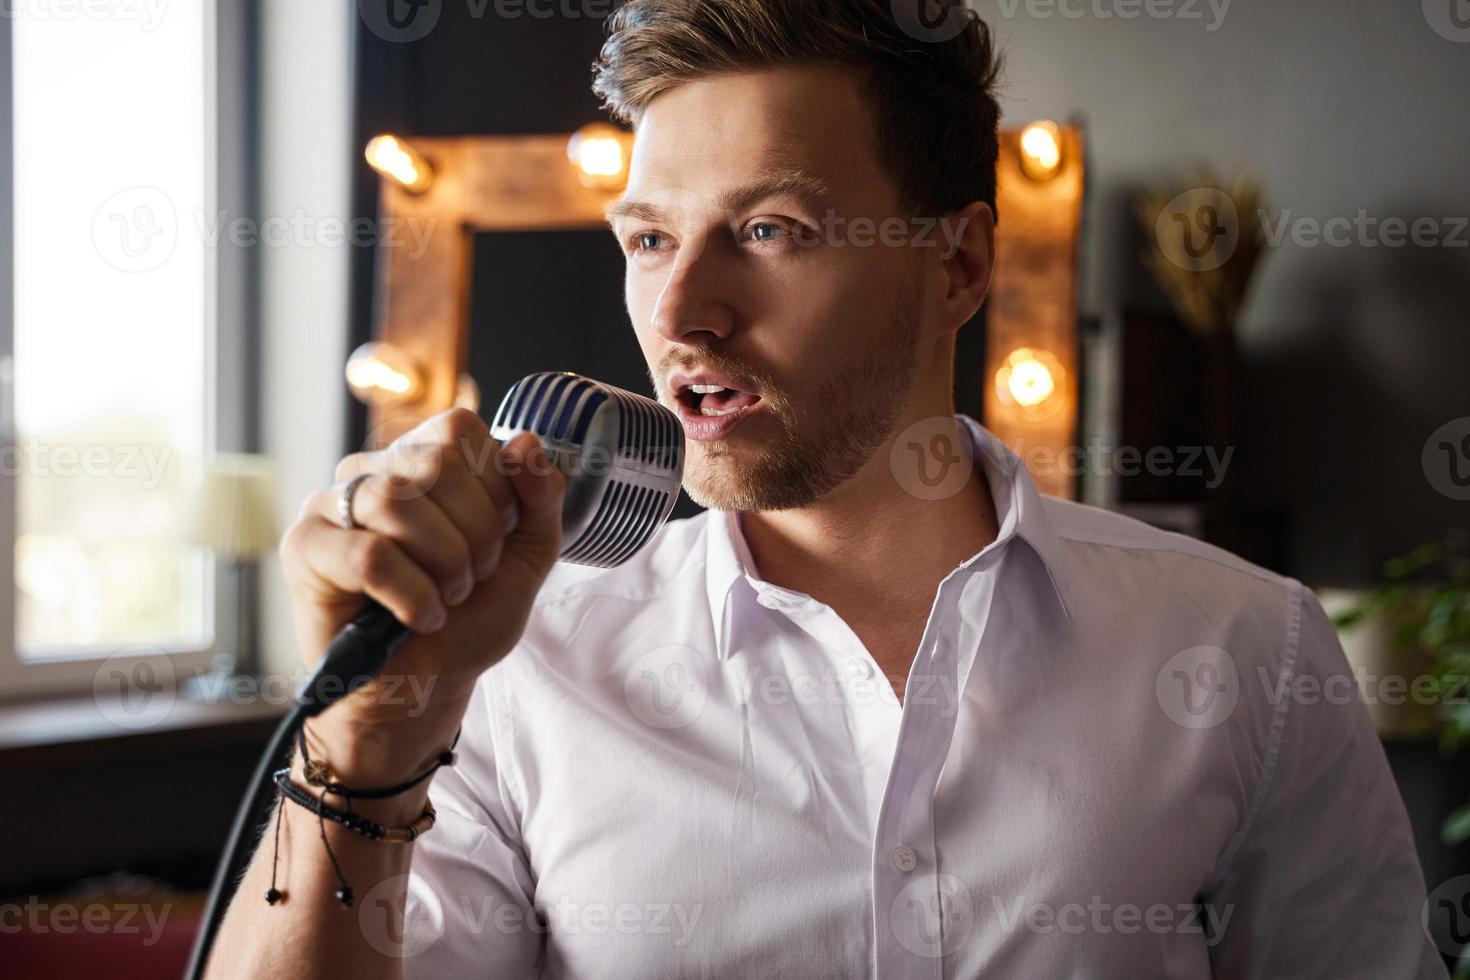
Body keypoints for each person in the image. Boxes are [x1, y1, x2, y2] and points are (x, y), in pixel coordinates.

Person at [206, 1, 1446, 977]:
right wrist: (363, 743)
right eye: (649, 239)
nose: (682, 311)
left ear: (955, 262)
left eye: (772, 230)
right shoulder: (512, 668)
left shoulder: (1243, 645)